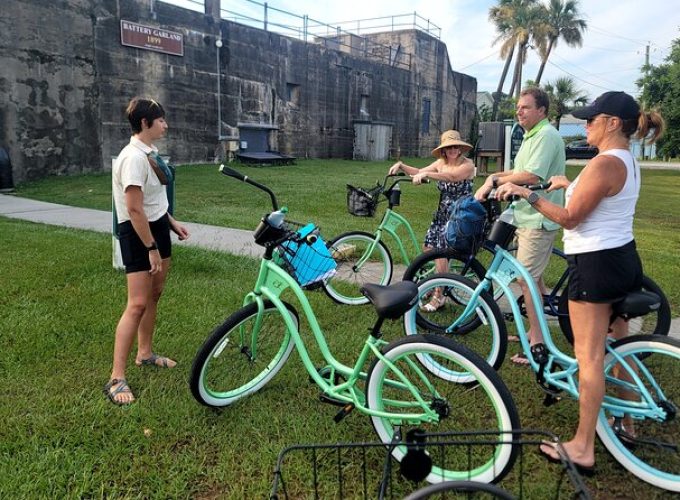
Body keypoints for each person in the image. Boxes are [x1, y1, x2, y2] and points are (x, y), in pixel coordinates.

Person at [495, 91, 665, 472]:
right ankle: (628, 419)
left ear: (612, 123)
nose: (585, 125)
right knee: (619, 346)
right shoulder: (624, 160)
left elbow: (571, 218)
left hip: (595, 265)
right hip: (622, 258)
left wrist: (529, 195)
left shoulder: (605, 163)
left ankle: (583, 446)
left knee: (589, 357)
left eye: (591, 119)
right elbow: (598, 200)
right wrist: (566, 182)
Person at [105, 98, 190, 405]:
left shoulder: (149, 153)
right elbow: (133, 209)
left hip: (156, 227)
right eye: (161, 120)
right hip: (138, 233)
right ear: (145, 123)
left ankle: (145, 354)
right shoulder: (133, 158)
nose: (165, 125)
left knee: (154, 295)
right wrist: (151, 248)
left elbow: (153, 202)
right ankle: (116, 376)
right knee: (137, 304)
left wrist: (171, 222)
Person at [475, 87, 565, 365]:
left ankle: (539, 343)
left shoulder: (546, 135)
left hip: (538, 219)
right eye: (518, 107)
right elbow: (515, 173)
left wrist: (497, 182)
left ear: (542, 111)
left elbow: (531, 175)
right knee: (532, 279)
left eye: (525, 107)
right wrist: (492, 178)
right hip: (524, 216)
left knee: (524, 281)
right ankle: (534, 329)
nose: (519, 111)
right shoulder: (530, 135)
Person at [388, 130, 475, 311]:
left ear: (460, 148)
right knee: (428, 248)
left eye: (455, 146)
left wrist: (428, 175)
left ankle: (439, 295)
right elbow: (419, 172)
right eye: (448, 147)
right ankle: (435, 283)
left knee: (440, 254)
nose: (452, 150)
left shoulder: (468, 165)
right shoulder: (441, 163)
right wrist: (402, 165)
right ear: (443, 150)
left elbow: (452, 177)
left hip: (460, 214)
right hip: (443, 213)